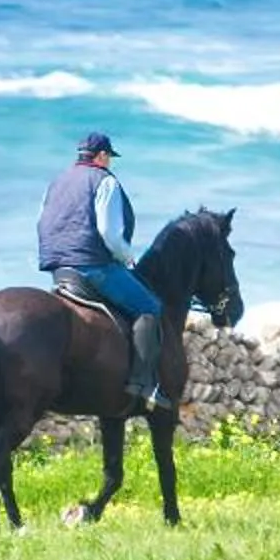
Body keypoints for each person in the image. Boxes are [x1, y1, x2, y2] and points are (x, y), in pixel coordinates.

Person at [36, 128, 166, 409]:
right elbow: (109, 232)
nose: (110, 163)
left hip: (60, 268)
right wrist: (127, 257)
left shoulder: (57, 182)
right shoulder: (105, 181)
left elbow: (41, 221)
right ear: (102, 155)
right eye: (110, 158)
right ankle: (143, 383)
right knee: (150, 307)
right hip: (93, 266)